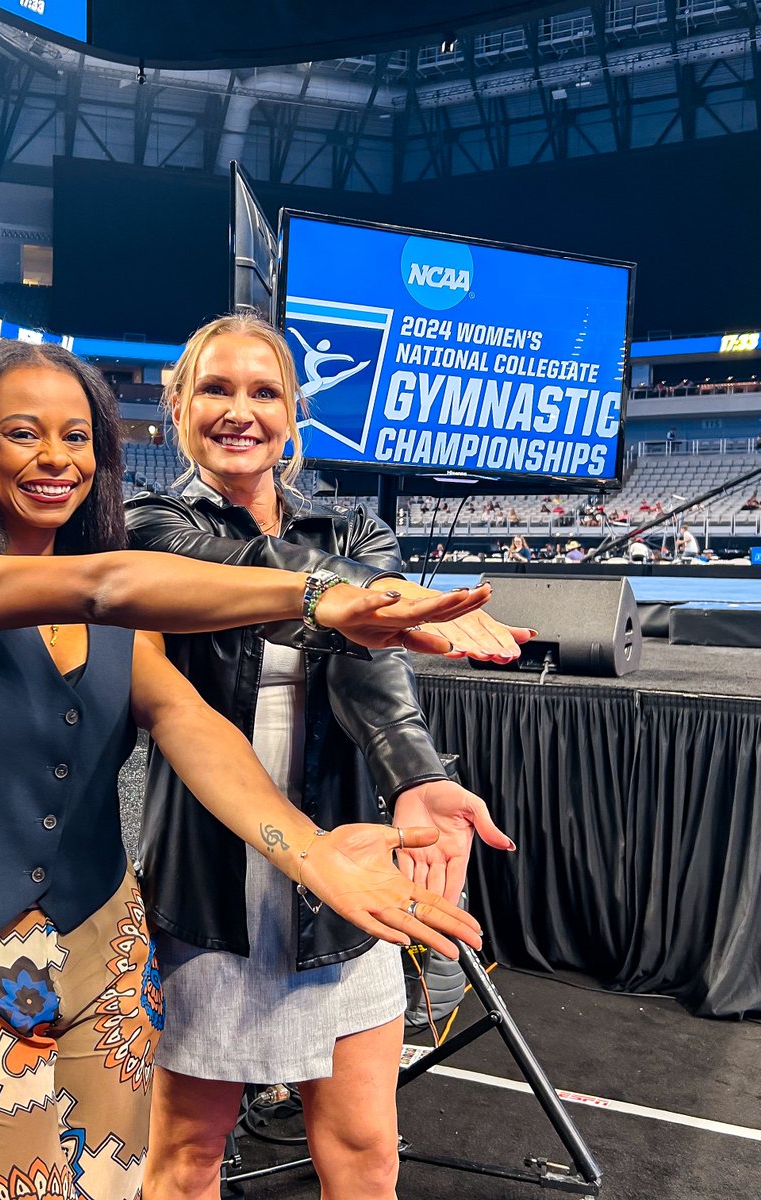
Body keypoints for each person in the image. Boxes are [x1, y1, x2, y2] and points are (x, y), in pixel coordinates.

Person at [0, 338, 505, 1200]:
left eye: (77, 438)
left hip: (107, 944)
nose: (55, 459)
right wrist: (317, 595)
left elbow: (193, 727)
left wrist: (313, 857)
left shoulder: (125, 611)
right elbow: (106, 585)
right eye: (21, 434)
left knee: (118, 1187)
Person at [124, 315, 533, 1200]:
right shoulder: (146, 522)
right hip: (208, 877)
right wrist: (354, 590)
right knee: (188, 1155)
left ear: (293, 414)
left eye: (264, 391)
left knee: (364, 1150)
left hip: (344, 869)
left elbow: (374, 673)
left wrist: (420, 777)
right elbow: (226, 570)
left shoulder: (359, 533)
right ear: (178, 406)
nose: (241, 411)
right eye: (217, 389)